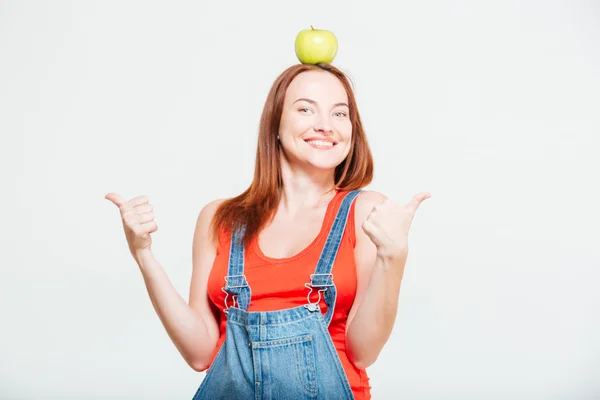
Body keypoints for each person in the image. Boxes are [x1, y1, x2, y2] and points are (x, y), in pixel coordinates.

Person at [105, 62, 430, 399]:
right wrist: (143, 255)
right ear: (275, 124)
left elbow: (364, 352)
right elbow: (199, 353)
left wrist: (394, 257)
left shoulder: (365, 211)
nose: (325, 126)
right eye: (306, 109)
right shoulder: (220, 218)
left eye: (339, 114)